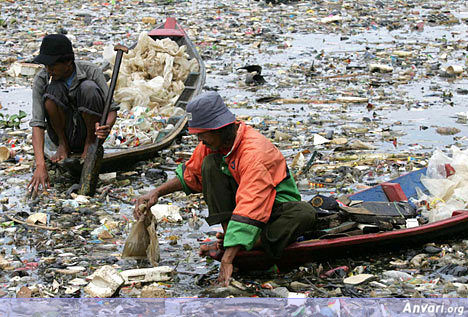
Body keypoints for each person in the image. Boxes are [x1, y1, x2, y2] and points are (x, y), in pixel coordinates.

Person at [134, 91, 316, 286]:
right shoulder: (213, 145)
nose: (200, 141)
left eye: (202, 135)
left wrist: (228, 259)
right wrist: (156, 192)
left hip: (275, 210)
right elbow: (192, 174)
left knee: (305, 213)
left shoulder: (253, 153)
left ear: (218, 129)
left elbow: (251, 205)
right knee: (209, 164)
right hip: (246, 211)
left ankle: (249, 242)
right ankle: (233, 237)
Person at [28, 34, 118, 194]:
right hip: (63, 133)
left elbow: (111, 110)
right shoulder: (42, 79)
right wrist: (40, 165)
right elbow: (37, 124)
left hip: (90, 133)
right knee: (52, 91)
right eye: (46, 66)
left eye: (53, 66)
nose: (49, 70)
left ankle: (88, 144)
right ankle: (63, 145)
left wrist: (106, 127)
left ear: (68, 62)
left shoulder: (92, 71)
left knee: (88, 88)